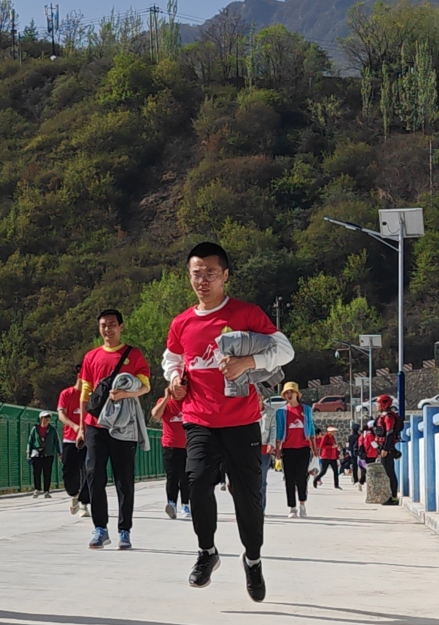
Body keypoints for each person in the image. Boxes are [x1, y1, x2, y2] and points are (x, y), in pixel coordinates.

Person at [163, 242, 294, 602]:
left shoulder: (246, 314)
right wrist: (174, 379)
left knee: (248, 499)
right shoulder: (182, 323)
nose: (202, 280)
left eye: (210, 273)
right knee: (198, 482)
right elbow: (172, 358)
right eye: (196, 273)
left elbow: (284, 350)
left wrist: (248, 363)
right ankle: (207, 552)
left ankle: (252, 560)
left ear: (225, 276)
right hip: (199, 419)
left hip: (242, 421)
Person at [80, 309, 151, 550]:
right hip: (95, 425)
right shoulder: (91, 357)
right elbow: (86, 393)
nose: (107, 329)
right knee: (94, 475)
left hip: (124, 426)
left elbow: (145, 386)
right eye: (103, 325)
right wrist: (81, 427)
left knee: (124, 479)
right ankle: (100, 528)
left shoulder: (133, 354)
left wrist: (126, 394)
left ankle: (124, 530)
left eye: (112, 324)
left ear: (121, 327)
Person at [275, 382, 315, 518]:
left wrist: (315, 449)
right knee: (289, 479)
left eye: (291, 392)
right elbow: (279, 431)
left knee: (301, 478)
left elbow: (311, 429)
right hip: (288, 448)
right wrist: (278, 450)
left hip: (303, 448)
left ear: (297, 394)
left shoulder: (306, 409)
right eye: (286, 393)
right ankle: (292, 507)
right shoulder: (281, 412)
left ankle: (302, 504)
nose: (289, 394)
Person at [151, 388, 191, 520]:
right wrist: (166, 398)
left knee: (186, 477)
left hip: (188, 446)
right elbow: (155, 414)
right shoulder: (164, 402)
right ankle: (171, 504)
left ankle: (186, 504)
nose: (178, 392)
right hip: (170, 446)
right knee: (172, 477)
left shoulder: (190, 401)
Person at [57, 365, 91, 517]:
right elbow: (61, 415)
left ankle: (84, 504)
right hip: (70, 440)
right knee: (69, 472)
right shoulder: (67, 394)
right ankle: (74, 495)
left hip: (88, 440)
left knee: (88, 471)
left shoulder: (90, 395)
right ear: (79, 375)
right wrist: (75, 426)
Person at [375, 395, 403, 505]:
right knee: (388, 473)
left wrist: (386, 448)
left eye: (378, 404)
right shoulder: (383, 416)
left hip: (388, 448)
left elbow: (389, 432)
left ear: (384, 404)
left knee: (390, 473)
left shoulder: (388, 417)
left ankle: (394, 497)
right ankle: (392, 495)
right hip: (383, 447)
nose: (377, 406)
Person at [27, 411, 61, 498]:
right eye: (45, 418)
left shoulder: (53, 430)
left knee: (47, 473)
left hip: (48, 454)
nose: (47, 420)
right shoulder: (35, 429)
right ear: (41, 418)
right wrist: (28, 452)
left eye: (48, 418)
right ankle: (37, 489)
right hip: (37, 454)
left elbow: (57, 442)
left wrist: (59, 452)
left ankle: (46, 491)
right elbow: (30, 441)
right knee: (36, 472)